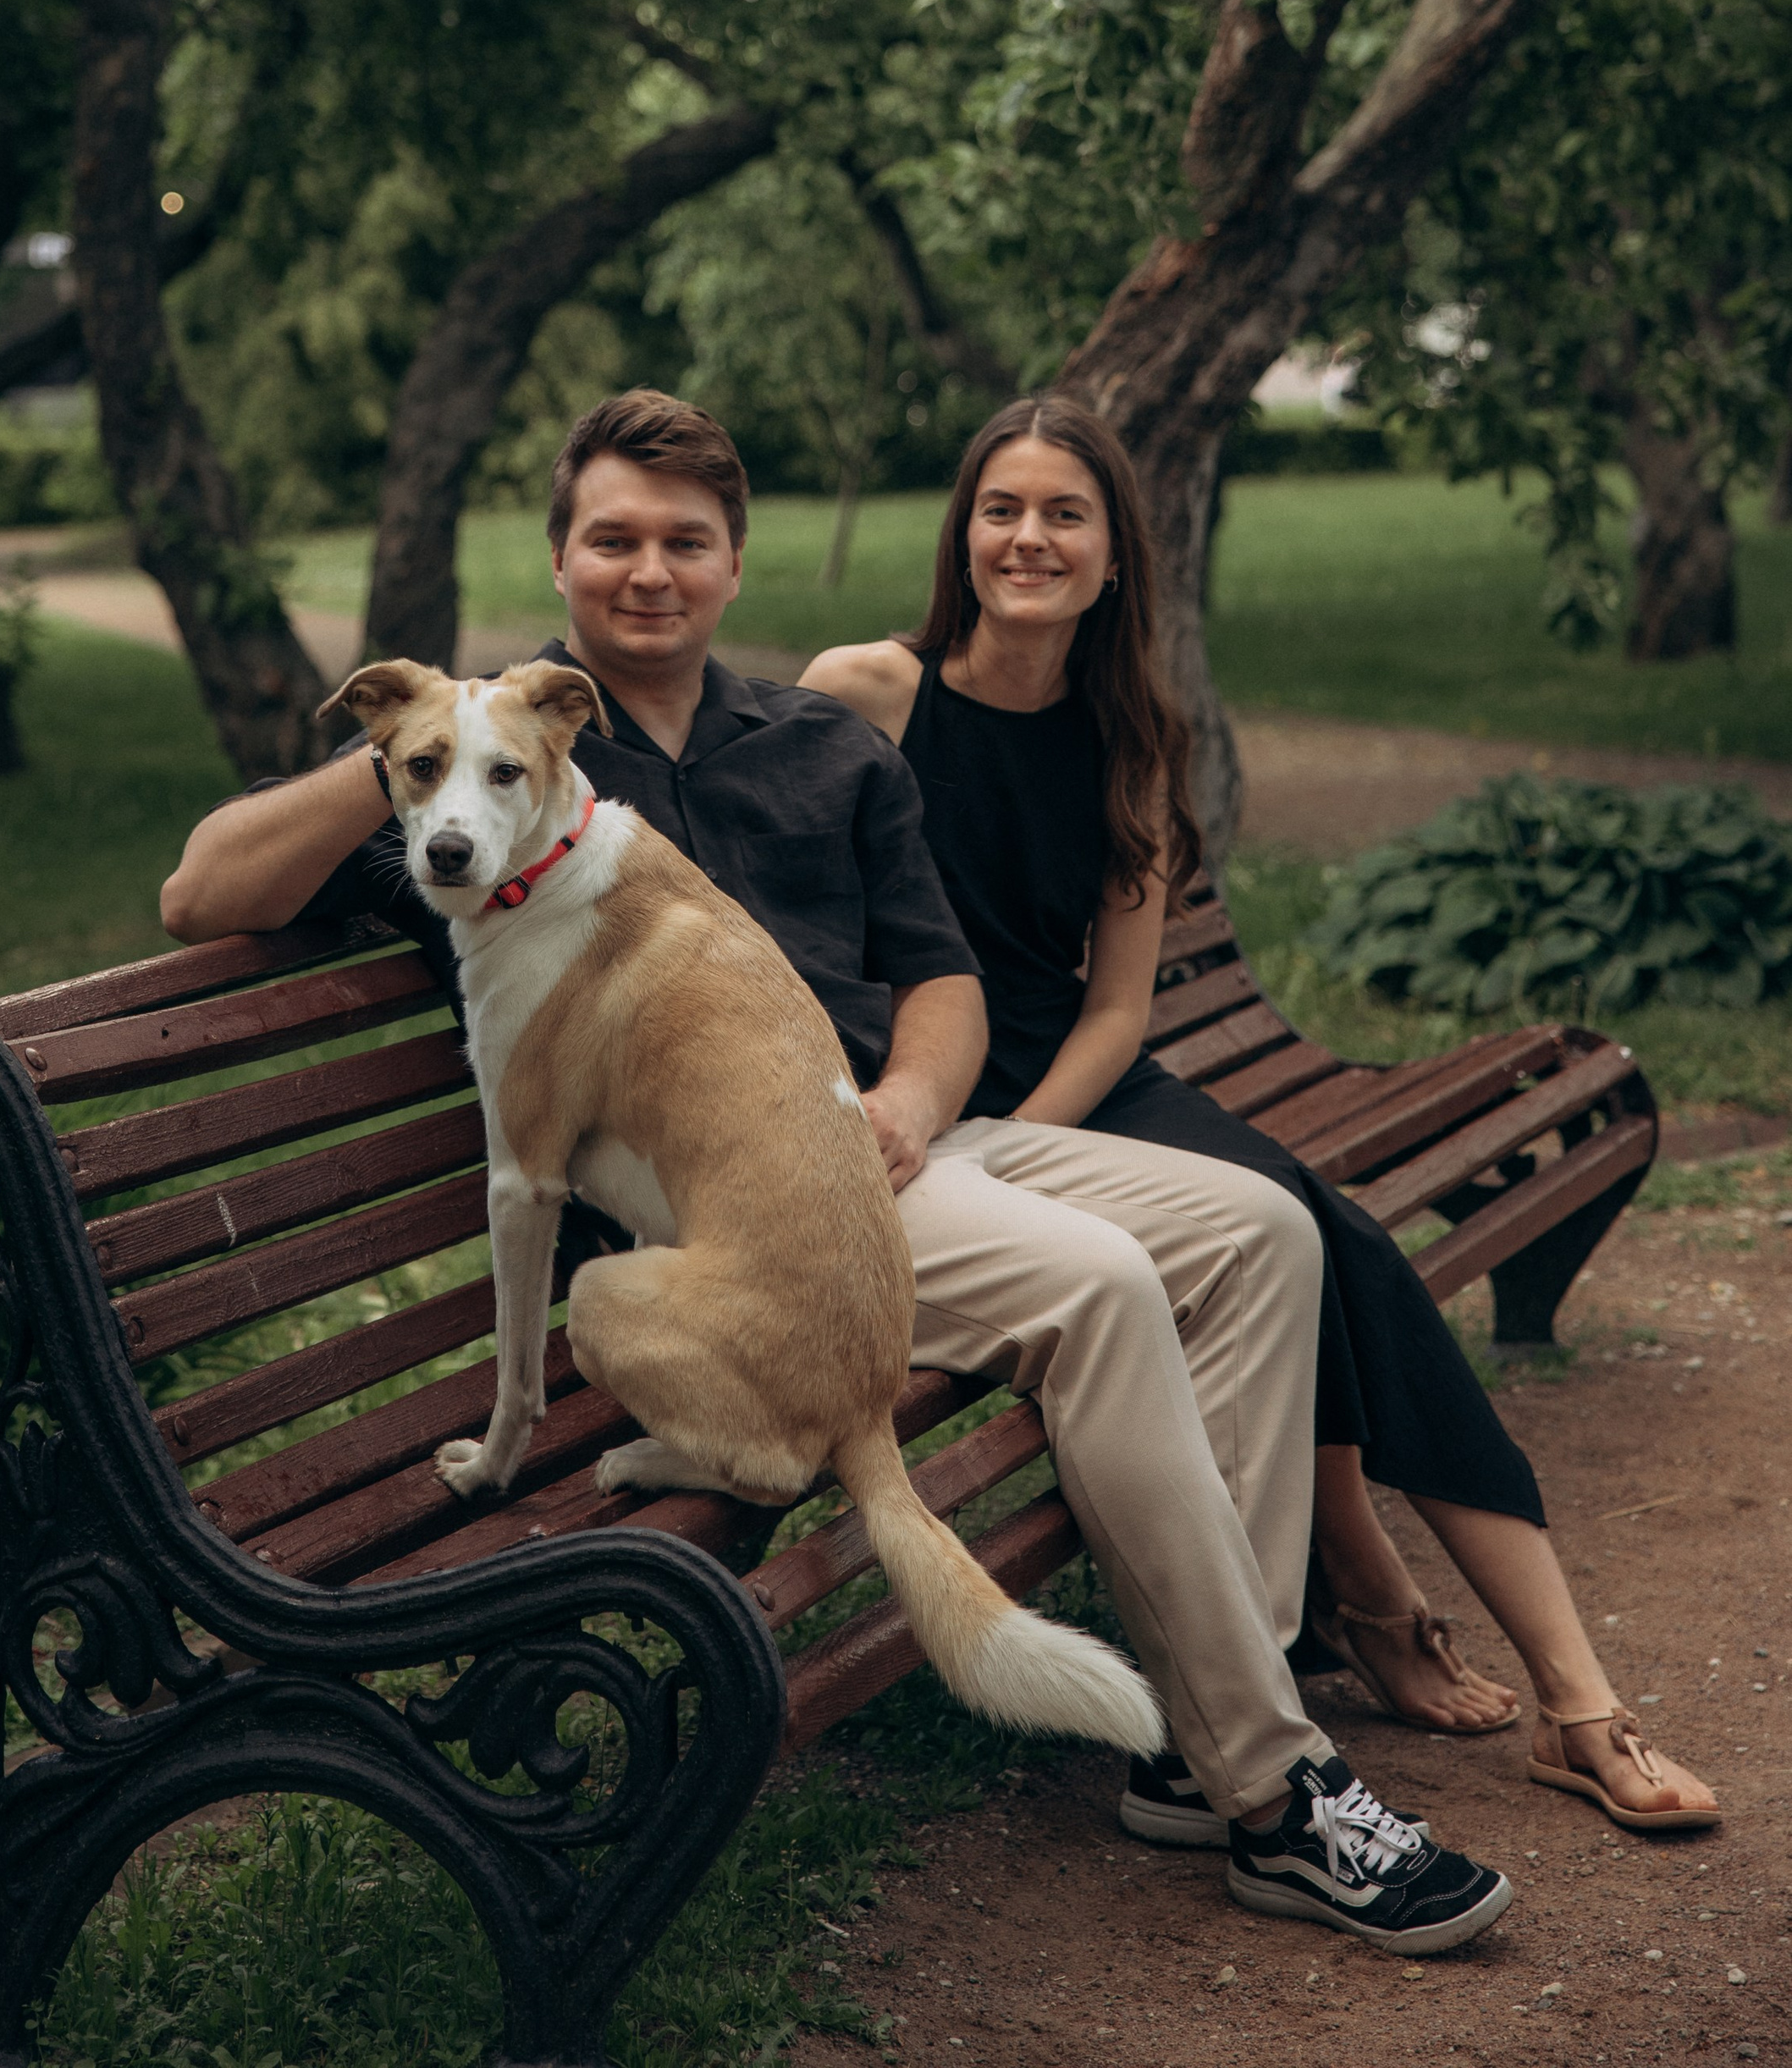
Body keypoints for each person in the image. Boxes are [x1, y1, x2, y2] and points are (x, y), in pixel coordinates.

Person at [163, 388, 1519, 1950]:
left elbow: (940, 974)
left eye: (686, 542)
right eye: (612, 541)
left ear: (736, 565)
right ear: (562, 563)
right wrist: (432, 752)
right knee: (1103, 1287)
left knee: (1267, 1234)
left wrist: (913, 1107)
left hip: (897, 1138)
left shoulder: (818, 740)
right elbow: (202, 892)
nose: (649, 572)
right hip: (749, 1220)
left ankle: (1217, 1713)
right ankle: (1275, 1792)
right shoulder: (490, 795)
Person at [800, 390, 1718, 1840]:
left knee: (1331, 1245)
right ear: (959, 532)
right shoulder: (868, 695)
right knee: (1309, 1244)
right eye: (1001, 508)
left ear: (1115, 559)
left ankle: (1561, 1687)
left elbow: (1113, 1008)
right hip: (926, 1103)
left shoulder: (1132, 737)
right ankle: (1401, 1618)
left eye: (1063, 515)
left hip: (1079, 1094)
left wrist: (1036, 1141)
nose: (1026, 538)